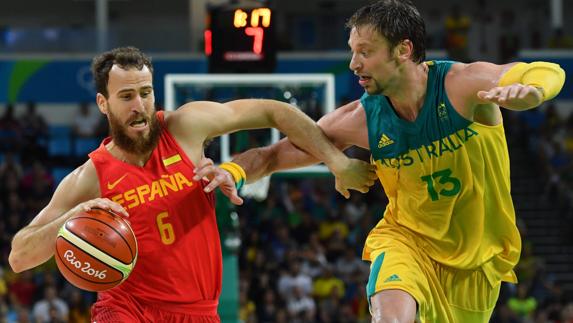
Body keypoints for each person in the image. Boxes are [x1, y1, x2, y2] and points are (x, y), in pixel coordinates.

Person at [195, 1, 566, 322]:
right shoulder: (360, 119)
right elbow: (275, 154)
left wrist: (531, 91)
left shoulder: (462, 85)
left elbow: (546, 70)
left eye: (366, 52)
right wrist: (233, 171)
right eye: (352, 51)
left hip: (476, 258)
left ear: (403, 50)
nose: (354, 63)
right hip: (406, 240)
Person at [8, 46, 375, 322]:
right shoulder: (92, 176)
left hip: (199, 311)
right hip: (128, 309)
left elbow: (273, 111)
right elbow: (20, 256)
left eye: (145, 92)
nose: (140, 105)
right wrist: (74, 216)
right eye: (126, 96)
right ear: (103, 104)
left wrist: (337, 161)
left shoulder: (184, 127)